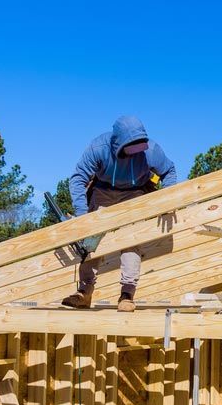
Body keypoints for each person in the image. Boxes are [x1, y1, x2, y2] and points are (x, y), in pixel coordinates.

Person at [61, 115, 177, 312]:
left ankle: (127, 295)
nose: (134, 152)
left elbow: (169, 171)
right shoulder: (99, 149)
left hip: (135, 192)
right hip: (103, 191)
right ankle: (84, 292)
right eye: (130, 148)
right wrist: (83, 216)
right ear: (118, 144)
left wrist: (167, 201)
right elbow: (78, 179)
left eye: (138, 148)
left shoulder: (151, 150)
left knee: (130, 240)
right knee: (91, 242)